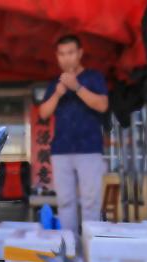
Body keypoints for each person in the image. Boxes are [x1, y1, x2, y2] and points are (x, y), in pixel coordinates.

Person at [38, 34, 109, 233]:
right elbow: (43, 113)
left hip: (89, 149)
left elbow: (102, 105)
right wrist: (58, 93)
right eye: (61, 54)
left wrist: (76, 87)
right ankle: (69, 246)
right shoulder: (55, 83)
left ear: (80, 53)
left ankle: (89, 247)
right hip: (61, 150)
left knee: (91, 202)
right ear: (57, 56)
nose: (66, 58)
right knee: (65, 202)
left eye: (70, 53)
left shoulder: (93, 77)